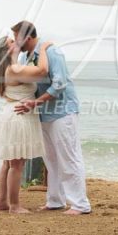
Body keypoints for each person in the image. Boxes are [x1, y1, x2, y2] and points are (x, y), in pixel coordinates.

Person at [12, 20, 92, 215]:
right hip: (44, 114)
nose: (15, 43)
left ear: (27, 38)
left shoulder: (52, 52)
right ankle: (55, 200)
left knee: (69, 157)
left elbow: (59, 84)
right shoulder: (26, 57)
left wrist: (36, 102)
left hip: (62, 111)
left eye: (17, 39)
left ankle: (80, 204)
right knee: (51, 160)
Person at [0, 35, 51, 214]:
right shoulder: (15, 69)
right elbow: (42, 71)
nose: (16, 42)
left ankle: (2, 202)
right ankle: (14, 205)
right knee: (17, 165)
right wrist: (43, 48)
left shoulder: (7, 68)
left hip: (10, 114)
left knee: (8, 164)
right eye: (12, 41)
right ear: (8, 49)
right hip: (17, 117)